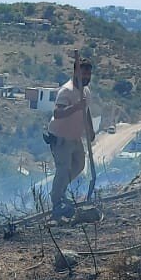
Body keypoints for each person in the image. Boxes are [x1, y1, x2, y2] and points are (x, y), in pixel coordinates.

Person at [47, 57, 94, 215]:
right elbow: (57, 113)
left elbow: (85, 111)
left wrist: (90, 131)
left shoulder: (85, 91)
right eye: (83, 74)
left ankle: (60, 191)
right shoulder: (66, 91)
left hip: (75, 137)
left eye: (88, 75)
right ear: (75, 72)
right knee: (63, 168)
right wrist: (75, 107)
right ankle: (56, 202)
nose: (86, 77)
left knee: (79, 165)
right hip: (60, 137)